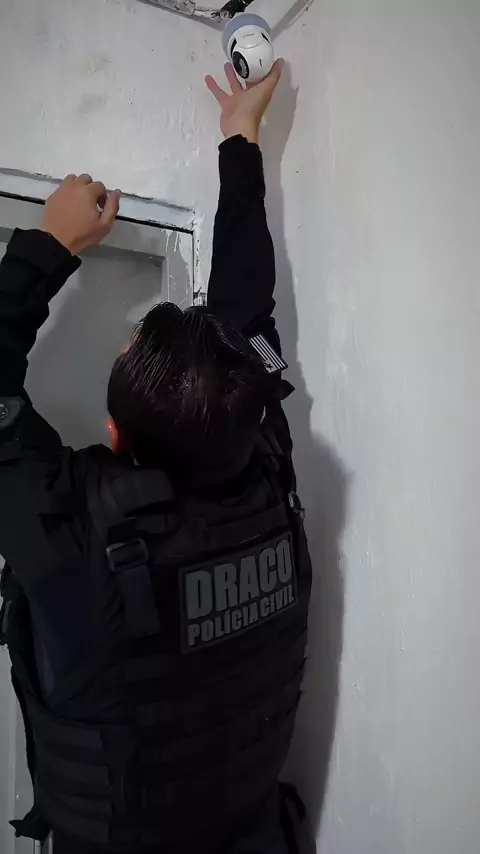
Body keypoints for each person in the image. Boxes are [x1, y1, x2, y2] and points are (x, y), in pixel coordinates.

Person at [0, 60, 312, 854]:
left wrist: (48, 245)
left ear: (115, 439)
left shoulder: (75, 538)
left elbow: (244, 324)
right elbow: (247, 316)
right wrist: (240, 139)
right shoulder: (263, 472)